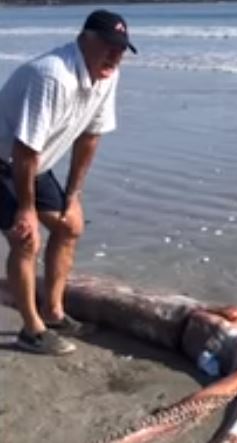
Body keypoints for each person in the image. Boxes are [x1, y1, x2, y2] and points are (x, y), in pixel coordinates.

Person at [0, 10, 137, 355]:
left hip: (34, 162)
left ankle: (54, 312)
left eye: (121, 49)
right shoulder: (52, 76)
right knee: (26, 238)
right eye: (108, 46)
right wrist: (27, 210)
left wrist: (73, 194)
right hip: (8, 159)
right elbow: (24, 147)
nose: (114, 56)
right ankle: (32, 331)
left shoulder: (108, 75)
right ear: (85, 39)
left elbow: (91, 136)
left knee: (69, 226)